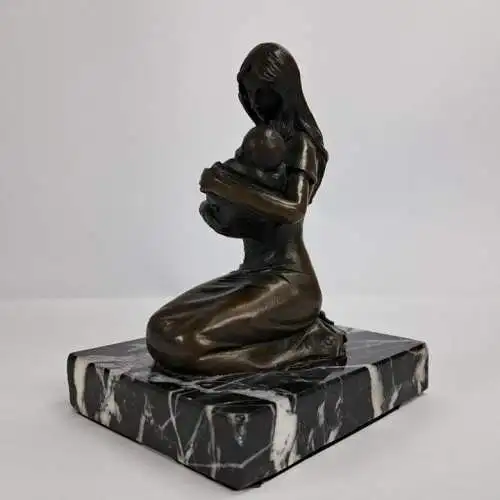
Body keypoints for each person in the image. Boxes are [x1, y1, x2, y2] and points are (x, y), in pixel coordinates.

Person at [147, 43, 346, 374]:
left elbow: (293, 210)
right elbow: (255, 223)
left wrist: (229, 187)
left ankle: (308, 346)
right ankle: (283, 343)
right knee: (161, 328)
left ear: (282, 91)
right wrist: (217, 213)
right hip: (251, 275)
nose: (254, 102)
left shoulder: (300, 145)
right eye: (248, 93)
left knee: (185, 345)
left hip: (289, 282)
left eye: (261, 93)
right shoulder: (261, 141)